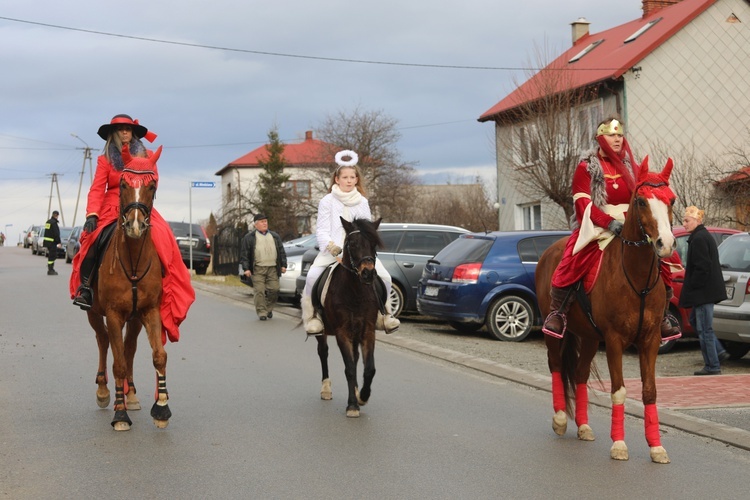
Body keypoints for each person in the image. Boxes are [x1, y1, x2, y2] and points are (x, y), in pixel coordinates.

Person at [542, 117, 680, 341]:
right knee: (574, 257)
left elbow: (646, 195)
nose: (617, 139)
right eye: (611, 135)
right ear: (600, 138)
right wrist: (608, 222)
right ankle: (558, 312)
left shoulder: (633, 169)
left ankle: (662, 315)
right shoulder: (586, 167)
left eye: (619, 135)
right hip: (597, 223)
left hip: (632, 223)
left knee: (663, 260)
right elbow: (583, 205)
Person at [69, 114, 195, 344]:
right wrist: (92, 214)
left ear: (134, 132)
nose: (125, 132)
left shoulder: (146, 156)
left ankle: (167, 287)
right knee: (94, 239)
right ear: (114, 134)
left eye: (128, 129)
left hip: (140, 204)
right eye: (121, 129)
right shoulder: (105, 159)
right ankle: (86, 288)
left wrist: (143, 198)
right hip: (112, 206)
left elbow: (153, 181)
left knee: (165, 239)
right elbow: (98, 188)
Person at [301, 150, 400, 336]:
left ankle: (385, 315)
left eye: (352, 177)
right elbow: (321, 229)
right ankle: (312, 317)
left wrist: (366, 249)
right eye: (344, 177)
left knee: (385, 278)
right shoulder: (327, 201)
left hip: (359, 252)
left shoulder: (362, 201)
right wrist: (333, 249)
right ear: (337, 179)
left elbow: (367, 231)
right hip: (332, 250)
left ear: (356, 179)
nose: (348, 180)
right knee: (312, 276)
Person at [679, 206, 729, 375]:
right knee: (695, 320)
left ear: (698, 221)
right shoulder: (701, 236)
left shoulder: (699, 238)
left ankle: (712, 365)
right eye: (684, 220)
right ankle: (719, 351)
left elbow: (703, 268)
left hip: (703, 293)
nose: (684, 224)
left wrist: (693, 286)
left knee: (704, 329)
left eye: (687, 220)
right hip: (705, 292)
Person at [239, 214, 287, 320]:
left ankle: (268, 309)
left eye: (265, 221)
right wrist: (246, 268)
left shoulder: (274, 236)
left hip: (273, 268)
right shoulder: (249, 238)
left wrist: (283, 265)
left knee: (275, 289)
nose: (265, 223)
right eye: (262, 222)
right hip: (258, 268)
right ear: (256, 225)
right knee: (259, 290)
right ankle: (262, 312)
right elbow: (245, 254)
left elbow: (281, 251)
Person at [44, 210, 62, 275]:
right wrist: (59, 242)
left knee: (51, 256)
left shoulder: (48, 222)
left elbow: (47, 232)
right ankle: (50, 270)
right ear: (57, 215)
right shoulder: (54, 223)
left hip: (47, 242)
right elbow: (56, 234)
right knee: (52, 256)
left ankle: (50, 268)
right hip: (52, 242)